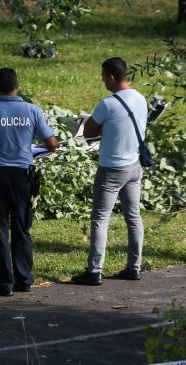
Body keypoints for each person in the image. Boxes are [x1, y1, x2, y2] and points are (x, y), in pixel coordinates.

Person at [0, 68, 59, 296]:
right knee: (21, 226)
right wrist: (31, 149)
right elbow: (52, 143)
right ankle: (24, 279)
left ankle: (4, 283)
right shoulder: (31, 110)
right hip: (21, 177)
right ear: (18, 84)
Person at [72, 57, 147, 286]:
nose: (103, 80)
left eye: (104, 76)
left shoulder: (107, 103)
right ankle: (134, 267)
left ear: (112, 77)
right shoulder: (140, 97)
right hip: (135, 166)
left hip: (112, 169)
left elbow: (88, 132)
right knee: (133, 217)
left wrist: (99, 125)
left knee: (100, 219)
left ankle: (95, 271)